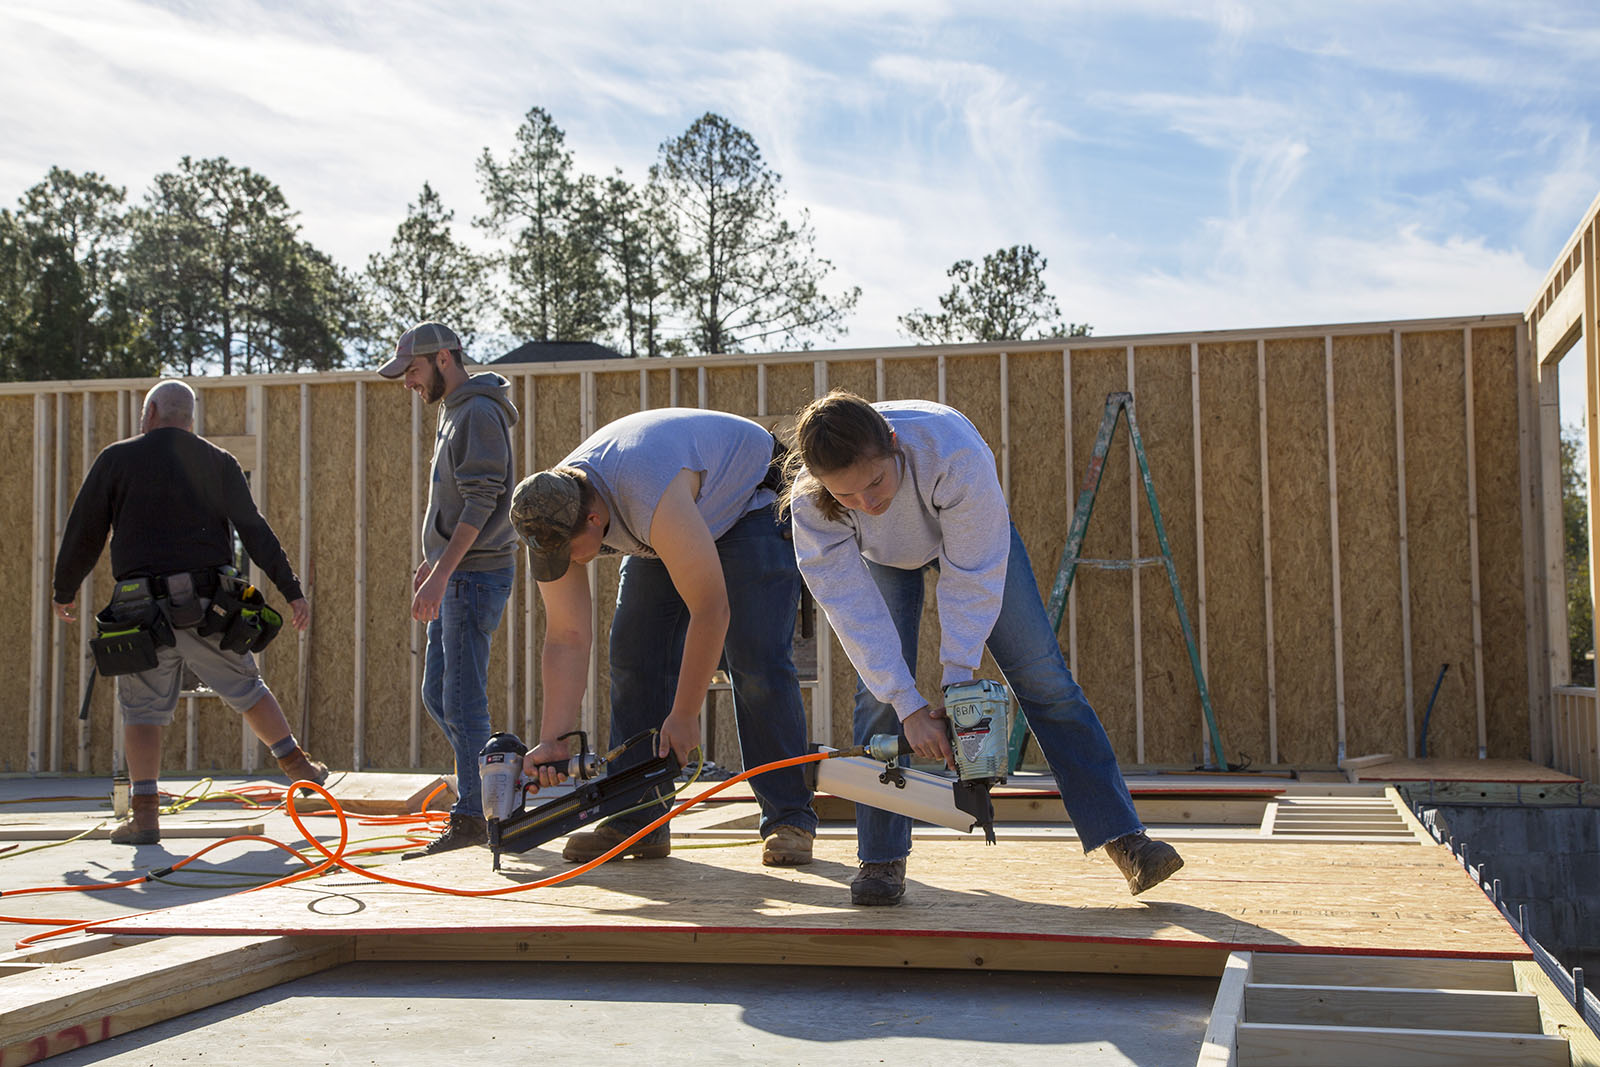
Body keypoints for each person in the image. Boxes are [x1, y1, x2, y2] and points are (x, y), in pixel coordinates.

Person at [785, 390, 1183, 906]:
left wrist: (957, 683)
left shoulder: (952, 453)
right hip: (881, 559)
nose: (868, 504)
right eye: (848, 497)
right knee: (877, 701)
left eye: (876, 482)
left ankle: (1126, 841)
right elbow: (850, 609)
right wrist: (909, 706)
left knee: (1045, 681)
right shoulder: (812, 504)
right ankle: (881, 860)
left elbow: (971, 575)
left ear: (894, 444)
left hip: (972, 540)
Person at [508, 408, 818, 866]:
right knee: (634, 655)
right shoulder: (552, 512)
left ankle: (789, 817)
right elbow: (567, 636)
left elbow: (711, 610)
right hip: (671, 513)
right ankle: (637, 819)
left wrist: (685, 713)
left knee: (754, 661)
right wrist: (554, 740)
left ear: (594, 520)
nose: (566, 562)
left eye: (568, 552)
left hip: (748, 500)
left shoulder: (646, 492)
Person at [52, 379, 327, 845]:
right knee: (246, 684)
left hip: (141, 613)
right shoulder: (217, 461)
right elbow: (254, 531)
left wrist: (65, 588)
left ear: (152, 412)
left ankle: (145, 817)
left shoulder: (117, 458)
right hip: (208, 606)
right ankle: (296, 765)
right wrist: (291, 591)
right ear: (190, 419)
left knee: (141, 710)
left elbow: (85, 530)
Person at [378, 322, 519, 857]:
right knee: (438, 694)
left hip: (474, 575)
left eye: (412, 371)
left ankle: (473, 815)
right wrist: (431, 561)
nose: (408, 383)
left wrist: (443, 571)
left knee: (461, 697)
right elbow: (458, 504)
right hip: (458, 571)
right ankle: (496, 781)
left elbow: (483, 501)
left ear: (442, 359)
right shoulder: (455, 410)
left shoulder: (479, 411)